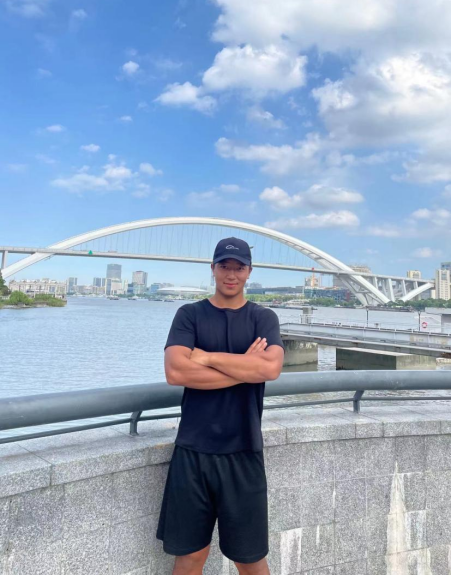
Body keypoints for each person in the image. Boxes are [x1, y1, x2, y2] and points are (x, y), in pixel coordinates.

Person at [156, 236, 285, 575]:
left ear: (249, 272)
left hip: (243, 451)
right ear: (212, 269)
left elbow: (270, 368)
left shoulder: (263, 318)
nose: (231, 274)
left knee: (250, 559)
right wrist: (245, 368)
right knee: (190, 557)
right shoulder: (189, 315)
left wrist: (208, 357)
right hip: (192, 452)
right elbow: (176, 371)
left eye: (239, 267)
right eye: (224, 266)